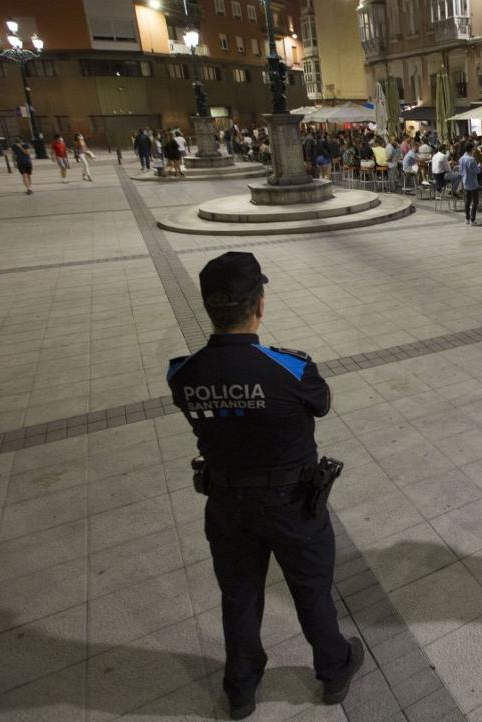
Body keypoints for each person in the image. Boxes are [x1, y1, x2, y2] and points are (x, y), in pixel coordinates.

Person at [166, 253, 364, 719]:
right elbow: (322, 403)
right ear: (259, 305)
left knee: (239, 593)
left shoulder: (183, 372)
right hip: (293, 501)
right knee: (311, 590)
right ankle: (333, 671)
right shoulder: (290, 368)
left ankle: (241, 687)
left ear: (209, 308)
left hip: (226, 501)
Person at [458, 143, 481, 224]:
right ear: (471, 149)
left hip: (465, 181)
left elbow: (460, 171)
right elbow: (477, 171)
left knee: (467, 201)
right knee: (475, 201)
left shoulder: (461, 159)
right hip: (473, 182)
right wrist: (479, 166)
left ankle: (467, 218)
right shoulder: (472, 159)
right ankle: (472, 219)